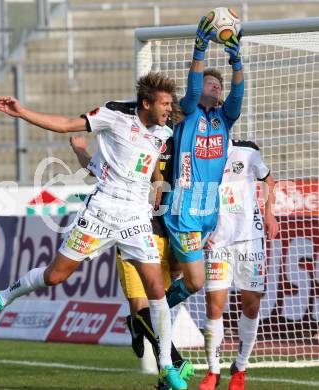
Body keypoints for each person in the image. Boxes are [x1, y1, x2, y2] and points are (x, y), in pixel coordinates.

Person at [0, 73, 188, 390]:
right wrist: (23, 112)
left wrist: (157, 182)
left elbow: (150, 160)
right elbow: (64, 123)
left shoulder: (164, 131)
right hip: (102, 211)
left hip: (136, 219)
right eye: (165, 103)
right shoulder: (114, 115)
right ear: (146, 103)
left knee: (156, 290)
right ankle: (2, 297)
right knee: (56, 275)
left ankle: (167, 367)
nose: (169, 108)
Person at [70, 126, 194, 390]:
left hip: (169, 233)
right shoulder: (126, 141)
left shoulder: (178, 143)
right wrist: (80, 149)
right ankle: (174, 362)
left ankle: (155, 357)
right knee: (143, 310)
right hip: (132, 233)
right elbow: (96, 170)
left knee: (157, 312)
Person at [163, 16, 245, 309]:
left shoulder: (224, 118)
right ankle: (146, 316)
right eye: (211, 83)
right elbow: (194, 91)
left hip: (209, 209)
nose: (215, 88)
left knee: (175, 273)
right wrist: (200, 50)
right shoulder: (187, 112)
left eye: (218, 86)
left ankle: (151, 316)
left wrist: (236, 62)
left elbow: (237, 96)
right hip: (184, 206)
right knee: (196, 281)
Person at [199, 139, 279, 390]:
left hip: (250, 239)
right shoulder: (199, 153)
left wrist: (269, 212)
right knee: (215, 304)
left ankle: (240, 367)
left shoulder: (247, 151)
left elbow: (268, 180)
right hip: (217, 241)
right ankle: (213, 370)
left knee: (252, 303)